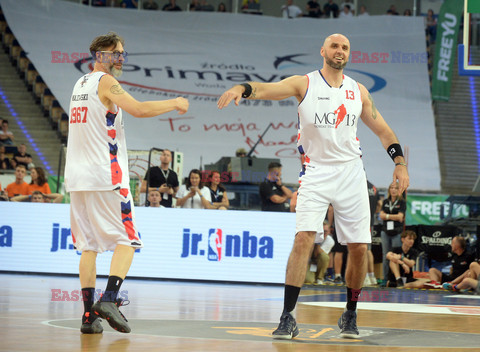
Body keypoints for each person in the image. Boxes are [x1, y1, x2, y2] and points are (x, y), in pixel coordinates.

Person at [217, 33, 409, 339]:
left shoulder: (358, 91)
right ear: (323, 51)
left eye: (345, 47)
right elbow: (269, 90)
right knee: (303, 238)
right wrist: (243, 88)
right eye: (334, 46)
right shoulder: (304, 83)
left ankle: (350, 313)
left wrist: (399, 163)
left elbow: (384, 131)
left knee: (359, 248)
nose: (340, 51)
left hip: (350, 173)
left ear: (349, 54)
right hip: (315, 172)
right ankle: (288, 316)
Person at [64, 32, 188, 335]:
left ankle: (87, 317)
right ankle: (108, 299)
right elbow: (140, 109)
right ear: (101, 55)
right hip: (106, 176)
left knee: (89, 248)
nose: (121, 58)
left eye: (122, 53)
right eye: (116, 53)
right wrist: (175, 102)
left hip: (78, 179)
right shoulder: (106, 82)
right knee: (128, 241)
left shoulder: (80, 83)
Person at [379, 182, 406, 283]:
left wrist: (387, 216)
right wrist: (393, 217)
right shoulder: (386, 201)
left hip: (397, 232)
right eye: (392, 188)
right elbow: (381, 215)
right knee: (385, 255)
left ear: (399, 190)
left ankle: (396, 279)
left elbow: (400, 217)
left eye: (396, 188)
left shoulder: (402, 202)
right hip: (385, 231)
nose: (393, 190)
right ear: (389, 190)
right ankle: (385, 279)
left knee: (395, 256)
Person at [364, 180, 379, 287]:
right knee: (368, 250)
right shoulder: (373, 187)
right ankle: (371, 276)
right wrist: (373, 213)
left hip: (361, 221)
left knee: (361, 249)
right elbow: (379, 204)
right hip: (370, 221)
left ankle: (364, 276)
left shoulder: (358, 184)